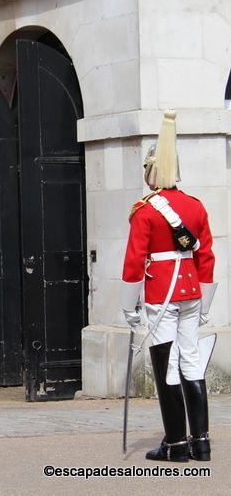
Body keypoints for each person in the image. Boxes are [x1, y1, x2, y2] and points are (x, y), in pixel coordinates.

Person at [120, 110, 217, 462]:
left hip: (162, 296)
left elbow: (134, 260)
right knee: (191, 361)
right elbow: (206, 256)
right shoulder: (195, 206)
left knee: (167, 365)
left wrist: (128, 306)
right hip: (192, 294)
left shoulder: (146, 211)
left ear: (152, 170)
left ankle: (176, 443)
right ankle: (201, 442)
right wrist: (205, 305)